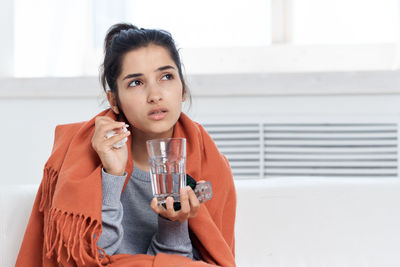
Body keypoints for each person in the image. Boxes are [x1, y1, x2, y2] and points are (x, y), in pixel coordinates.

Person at [16, 23, 236, 267]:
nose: (155, 94)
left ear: (183, 89)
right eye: (135, 83)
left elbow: (188, 263)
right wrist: (113, 174)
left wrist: (173, 222)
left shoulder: (209, 163)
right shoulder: (86, 156)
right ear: (114, 100)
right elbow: (88, 260)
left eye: (166, 76)